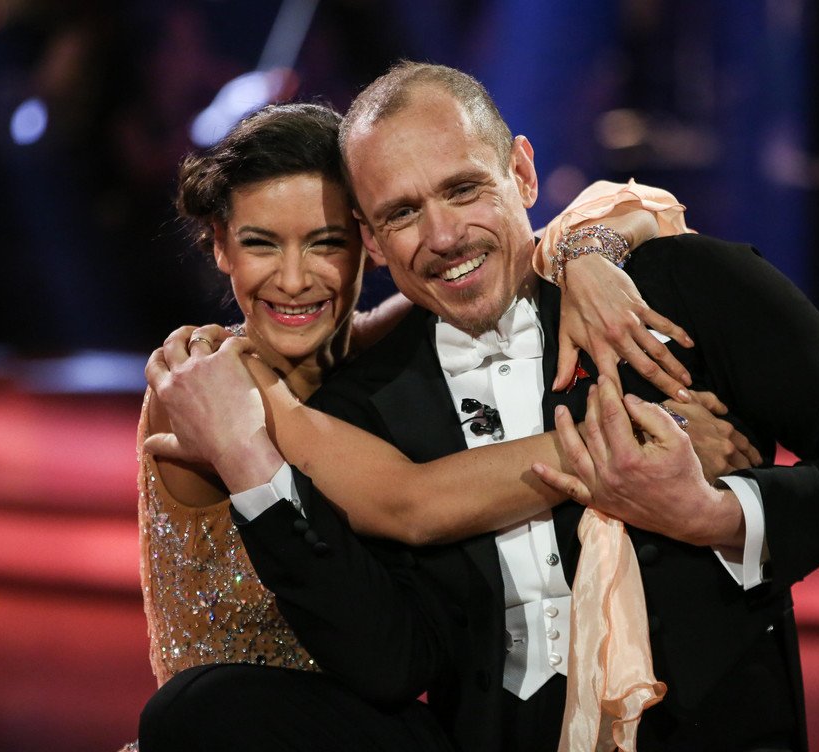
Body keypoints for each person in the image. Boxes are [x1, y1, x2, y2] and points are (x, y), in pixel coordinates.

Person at [141, 63, 819, 752]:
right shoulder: (344, 400)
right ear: (377, 239)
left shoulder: (675, 287)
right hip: (476, 734)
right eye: (402, 213)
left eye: (463, 189)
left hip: (710, 732)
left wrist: (717, 514)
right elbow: (403, 583)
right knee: (199, 711)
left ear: (522, 174)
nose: (443, 235)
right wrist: (621, 448)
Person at [133, 100, 751, 723]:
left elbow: (562, 231)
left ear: (370, 241)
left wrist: (587, 254)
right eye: (261, 244)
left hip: (380, 721)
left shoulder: (369, 350)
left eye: (326, 244)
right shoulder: (205, 381)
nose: (294, 281)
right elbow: (412, 504)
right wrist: (641, 436)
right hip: (249, 729)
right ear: (220, 246)